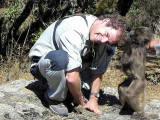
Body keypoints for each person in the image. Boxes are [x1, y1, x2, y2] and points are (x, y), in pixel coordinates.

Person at [29, 13, 125, 116]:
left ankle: (76, 90)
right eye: (107, 34)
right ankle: (55, 98)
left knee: (109, 49)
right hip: (45, 64)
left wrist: (94, 98)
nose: (103, 40)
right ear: (105, 21)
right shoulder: (74, 32)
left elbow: (98, 70)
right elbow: (71, 77)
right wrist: (80, 101)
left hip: (73, 64)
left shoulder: (98, 29)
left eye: (108, 41)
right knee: (60, 58)